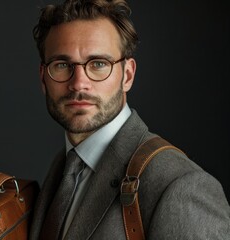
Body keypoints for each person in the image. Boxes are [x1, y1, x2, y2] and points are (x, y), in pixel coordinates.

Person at [28, 0, 230, 239]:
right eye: (62, 64)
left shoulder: (181, 185)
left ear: (128, 75)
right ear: (43, 79)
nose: (79, 83)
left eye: (99, 64)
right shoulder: (63, 168)